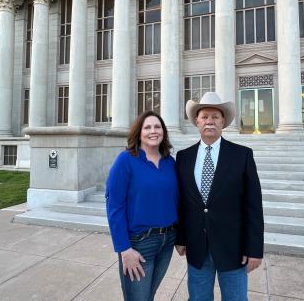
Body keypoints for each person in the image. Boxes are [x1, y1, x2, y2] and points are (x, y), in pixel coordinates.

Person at [175, 92, 263, 301]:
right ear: (196, 121)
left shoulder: (242, 155)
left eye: (215, 116)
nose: (210, 121)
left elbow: (253, 207)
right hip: (197, 249)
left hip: (233, 249)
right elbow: (182, 203)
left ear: (223, 121)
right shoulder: (183, 157)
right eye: (204, 116)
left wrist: (254, 249)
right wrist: (181, 238)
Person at [105, 110, 178, 301]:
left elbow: (178, 201)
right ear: (139, 133)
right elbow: (115, 206)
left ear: (163, 132)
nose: (153, 131)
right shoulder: (126, 161)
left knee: (148, 296)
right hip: (139, 244)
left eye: (157, 127)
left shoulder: (170, 163)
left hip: (167, 240)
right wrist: (124, 249)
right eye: (147, 127)